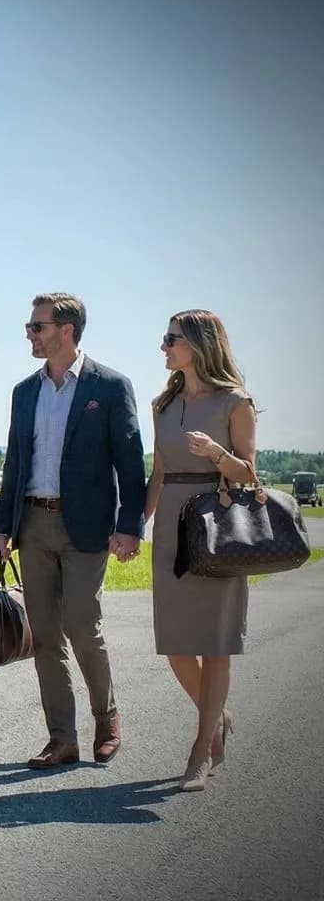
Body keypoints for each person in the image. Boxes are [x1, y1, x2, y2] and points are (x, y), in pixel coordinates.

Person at [0, 293, 146, 770]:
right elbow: (15, 462)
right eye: (30, 326)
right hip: (33, 523)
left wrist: (130, 527)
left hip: (88, 528)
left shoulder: (110, 386)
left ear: (66, 330)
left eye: (36, 327)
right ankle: (62, 738)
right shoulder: (24, 392)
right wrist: (3, 528)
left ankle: (107, 718)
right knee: (44, 635)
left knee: (81, 625)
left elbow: (130, 463)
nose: (29, 334)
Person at [143, 309, 256, 792]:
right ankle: (218, 718)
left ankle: (201, 749)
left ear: (198, 344)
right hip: (172, 527)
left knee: (215, 644)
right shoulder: (163, 405)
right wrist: (136, 524)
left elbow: (248, 472)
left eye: (171, 339)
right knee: (175, 644)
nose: (164, 347)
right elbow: (158, 472)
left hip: (217, 526)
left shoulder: (235, 402)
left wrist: (216, 453)